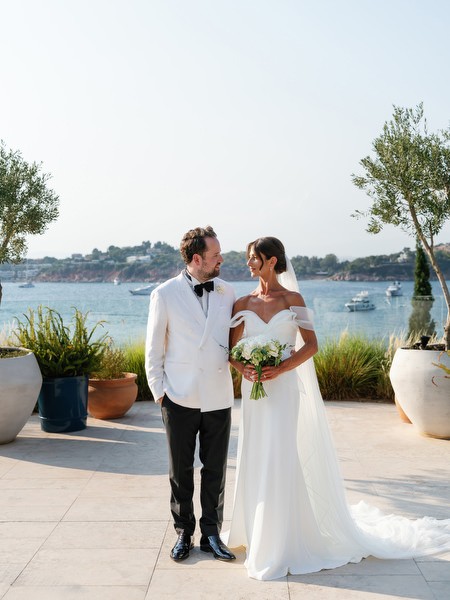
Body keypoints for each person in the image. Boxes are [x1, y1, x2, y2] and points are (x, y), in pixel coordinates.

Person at [225, 236, 450, 581]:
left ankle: (283, 538)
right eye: (248, 259)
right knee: (255, 453)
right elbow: (231, 350)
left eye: (254, 258)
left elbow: (311, 345)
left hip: (284, 389)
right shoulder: (242, 302)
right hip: (255, 392)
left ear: (271, 261)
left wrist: (281, 368)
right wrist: (246, 369)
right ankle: (251, 531)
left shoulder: (293, 300)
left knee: (281, 454)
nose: (249, 264)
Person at [145, 226, 236, 563]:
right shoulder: (164, 293)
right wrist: (160, 395)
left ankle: (211, 533)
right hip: (178, 396)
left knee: (215, 469)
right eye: (216, 255)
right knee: (180, 470)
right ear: (197, 259)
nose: (221, 260)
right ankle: (184, 532)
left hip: (218, 394)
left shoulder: (228, 291)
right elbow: (153, 350)